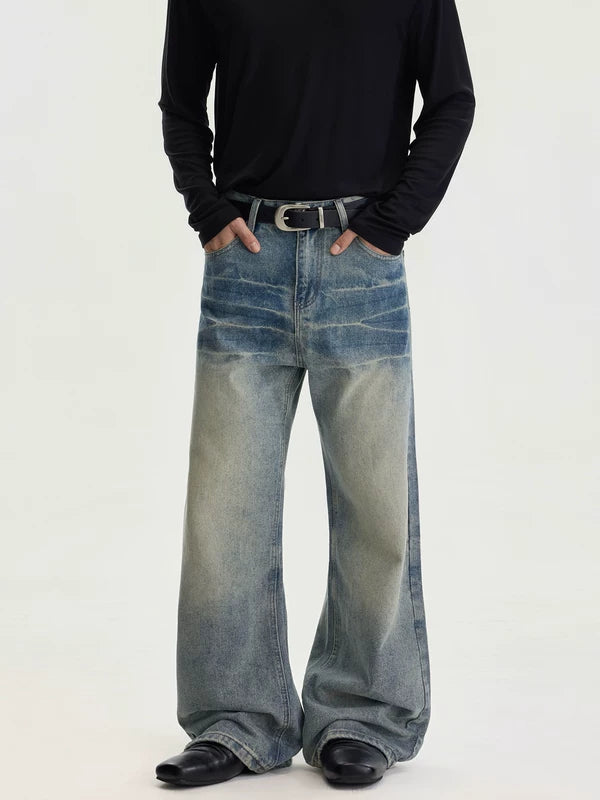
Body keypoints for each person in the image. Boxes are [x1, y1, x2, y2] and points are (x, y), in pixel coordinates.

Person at [155, 0, 475, 788]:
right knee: (224, 510)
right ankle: (237, 721)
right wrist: (205, 205)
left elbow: (452, 99)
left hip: (361, 262)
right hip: (245, 261)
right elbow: (181, 101)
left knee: (374, 504)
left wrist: (396, 221)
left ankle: (364, 716)